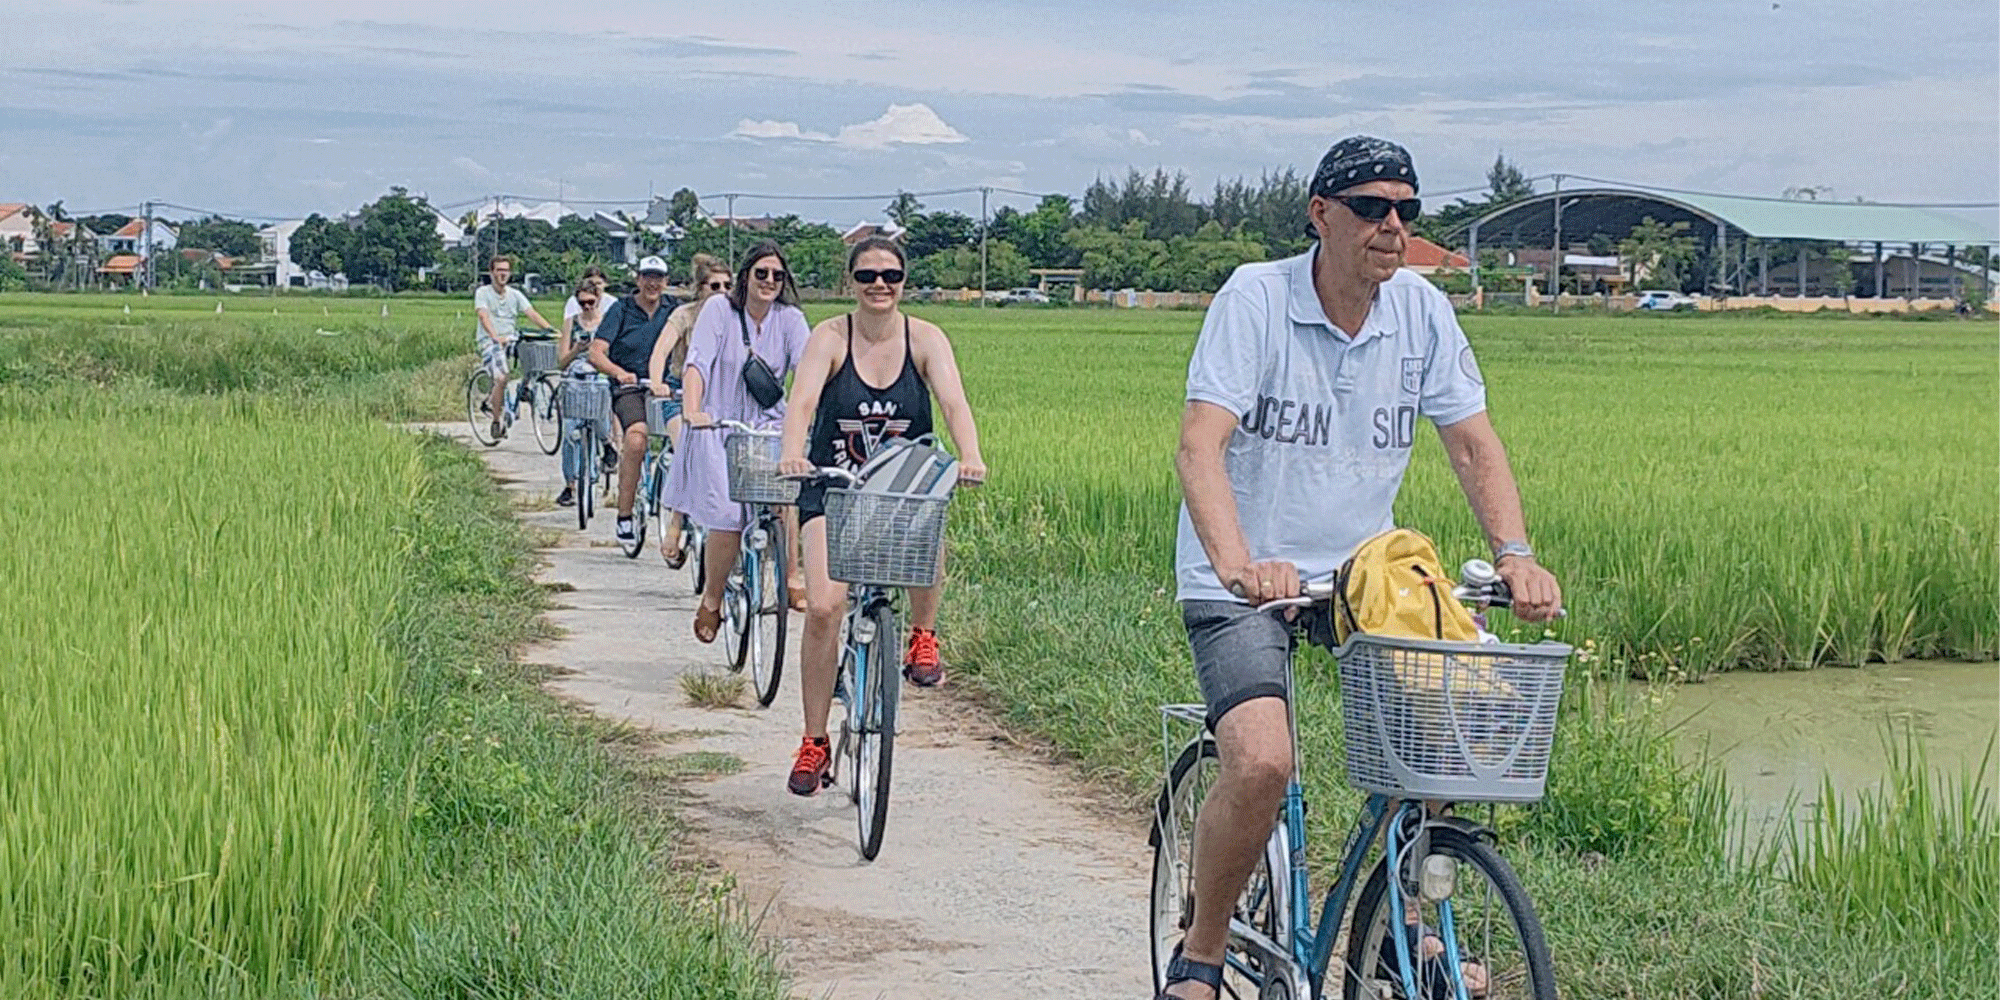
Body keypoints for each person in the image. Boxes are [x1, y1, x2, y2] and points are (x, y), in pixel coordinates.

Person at [1159, 136, 1563, 1000]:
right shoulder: (1255, 300)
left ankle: (1399, 932)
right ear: (1321, 214)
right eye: (1372, 208)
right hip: (1247, 581)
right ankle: (1200, 949)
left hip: (1360, 577)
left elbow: (1472, 444)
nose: (1392, 226)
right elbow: (1201, 447)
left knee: (1451, 733)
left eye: (1407, 212)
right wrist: (1238, 567)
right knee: (1264, 763)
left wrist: (1515, 555)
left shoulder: (1419, 309)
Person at [776, 236, 986, 796]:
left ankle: (923, 634)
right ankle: (815, 741)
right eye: (867, 276)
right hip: (834, 487)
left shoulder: (925, 338)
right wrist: (792, 453)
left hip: (899, 489)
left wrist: (969, 455)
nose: (879, 286)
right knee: (824, 606)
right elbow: (801, 402)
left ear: (903, 281)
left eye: (890, 276)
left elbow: (953, 401)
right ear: (851, 282)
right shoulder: (830, 337)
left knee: (930, 520)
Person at [660, 240, 811, 644]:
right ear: (746, 276)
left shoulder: (791, 320)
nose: (769, 281)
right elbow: (697, 364)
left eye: (777, 275)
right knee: (727, 517)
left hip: (770, 427)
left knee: (787, 498)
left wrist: (811, 417)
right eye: (761, 273)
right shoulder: (719, 311)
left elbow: (810, 373)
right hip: (720, 426)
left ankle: (792, 574)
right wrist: (694, 410)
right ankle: (712, 599)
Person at [586, 255, 679, 544]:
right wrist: (619, 372)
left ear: (666, 282)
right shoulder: (621, 309)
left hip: (667, 386)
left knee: (690, 440)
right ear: (638, 280)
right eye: (647, 277)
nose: (653, 283)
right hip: (631, 386)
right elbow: (596, 352)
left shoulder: (673, 310)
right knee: (636, 439)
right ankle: (624, 516)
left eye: (659, 278)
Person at [649, 253, 730, 567]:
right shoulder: (684, 315)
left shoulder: (738, 319)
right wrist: (658, 382)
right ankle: (676, 524)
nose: (721, 292)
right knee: (689, 446)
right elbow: (661, 350)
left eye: (727, 285)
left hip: (720, 400)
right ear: (701, 289)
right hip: (680, 393)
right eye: (714, 286)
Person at [473, 255, 555, 441]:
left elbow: (531, 313)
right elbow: (483, 316)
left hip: (511, 338)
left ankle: (526, 387)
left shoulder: (515, 294)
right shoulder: (483, 293)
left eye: (506, 270)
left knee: (533, 354)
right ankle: (496, 421)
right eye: (499, 270)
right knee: (501, 378)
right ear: (492, 273)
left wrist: (550, 330)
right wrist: (495, 337)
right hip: (490, 340)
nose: (503, 274)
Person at [554, 276, 614, 508]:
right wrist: (577, 349)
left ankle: (606, 441)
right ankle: (570, 484)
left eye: (591, 302)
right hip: (575, 376)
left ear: (598, 300)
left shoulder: (607, 322)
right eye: (582, 303)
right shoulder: (572, 322)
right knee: (570, 433)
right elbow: (561, 361)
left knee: (600, 410)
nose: (587, 307)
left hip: (598, 375)